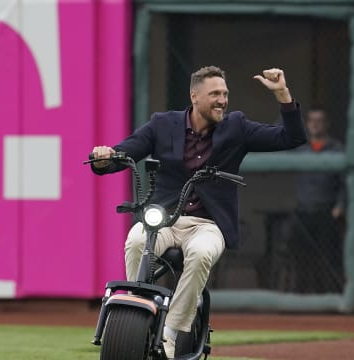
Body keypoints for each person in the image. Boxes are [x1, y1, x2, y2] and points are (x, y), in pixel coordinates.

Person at [90, 66, 306, 358]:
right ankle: (138, 312)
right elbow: (125, 153)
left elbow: (290, 138)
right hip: (165, 218)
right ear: (195, 95)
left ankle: (171, 331)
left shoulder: (237, 127)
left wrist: (282, 93)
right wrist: (104, 157)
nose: (222, 100)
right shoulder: (162, 124)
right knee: (137, 239)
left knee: (202, 253)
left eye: (225, 94)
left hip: (208, 223)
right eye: (215, 93)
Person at [291, 107, 346, 293]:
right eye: (311, 120)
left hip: (327, 212)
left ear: (327, 124)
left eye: (319, 120)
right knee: (301, 258)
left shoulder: (337, 149)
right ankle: (302, 298)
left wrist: (340, 206)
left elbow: (345, 184)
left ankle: (329, 298)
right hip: (303, 211)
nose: (315, 124)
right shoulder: (301, 148)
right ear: (306, 124)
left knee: (328, 259)